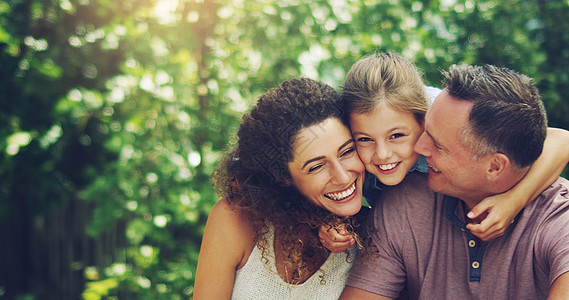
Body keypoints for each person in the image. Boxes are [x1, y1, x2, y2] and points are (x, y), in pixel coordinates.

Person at [340, 64, 569, 299]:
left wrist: (514, 200)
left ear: (495, 166)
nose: (420, 147)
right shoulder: (400, 200)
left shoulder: (558, 217)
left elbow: (561, 139)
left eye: (437, 144)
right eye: (365, 139)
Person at [193, 78, 368, 299]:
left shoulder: (375, 227)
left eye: (347, 152)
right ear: (282, 176)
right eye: (316, 166)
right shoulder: (234, 219)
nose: (342, 177)